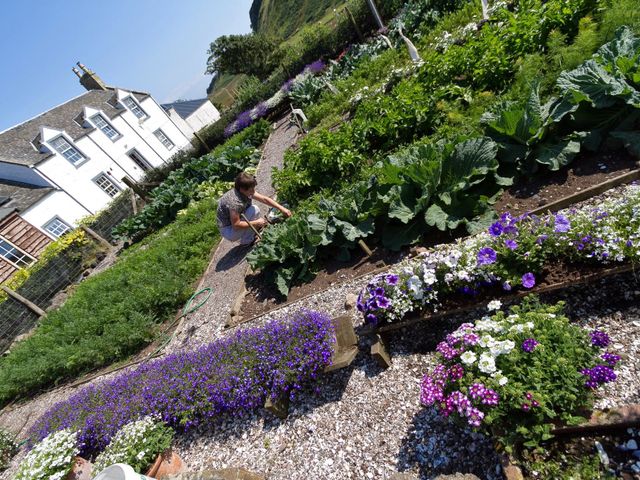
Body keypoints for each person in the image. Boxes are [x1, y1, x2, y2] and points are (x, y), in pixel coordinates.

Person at [216, 172, 292, 245]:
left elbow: (264, 199)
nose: (253, 191)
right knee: (254, 210)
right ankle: (247, 240)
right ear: (242, 189)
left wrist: (281, 208)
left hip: (235, 223)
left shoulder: (243, 191)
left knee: (253, 210)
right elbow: (236, 225)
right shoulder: (235, 202)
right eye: (251, 189)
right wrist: (256, 222)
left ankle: (250, 232)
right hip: (229, 231)